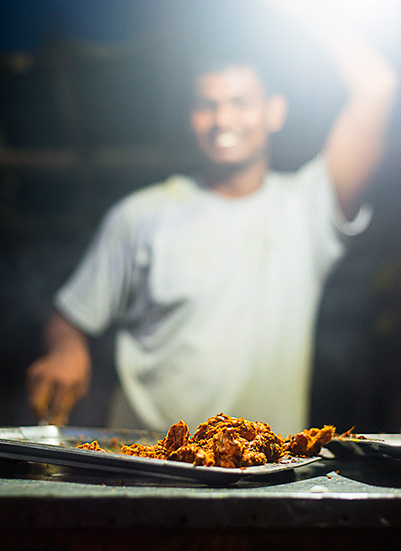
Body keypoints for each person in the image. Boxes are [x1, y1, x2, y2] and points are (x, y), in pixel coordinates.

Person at [26, 1, 398, 435]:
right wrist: (67, 350)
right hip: (147, 467)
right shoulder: (142, 214)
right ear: (191, 116)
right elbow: (69, 316)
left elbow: (378, 87)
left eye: (240, 102)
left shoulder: (307, 208)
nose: (223, 118)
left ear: (274, 112)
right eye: (208, 104)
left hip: (263, 474)